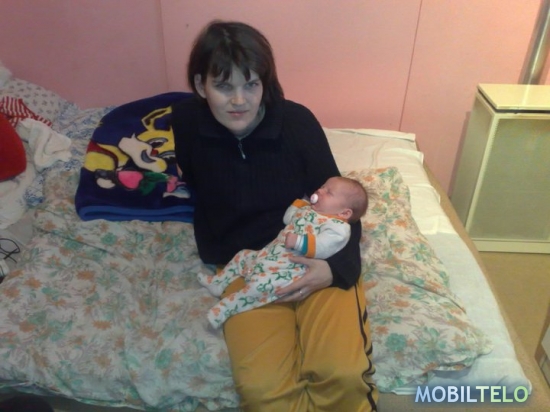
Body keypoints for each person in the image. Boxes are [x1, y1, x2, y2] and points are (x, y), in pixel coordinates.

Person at [172, 20, 378, 412]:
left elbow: (341, 208)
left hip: (314, 254)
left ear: (265, 83)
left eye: (251, 84)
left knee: (341, 372)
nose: (239, 100)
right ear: (200, 85)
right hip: (247, 263)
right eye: (224, 86)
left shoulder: (297, 123)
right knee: (262, 389)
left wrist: (335, 269)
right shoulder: (185, 123)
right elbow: (197, 182)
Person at [198, 176, 369, 328]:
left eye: (328, 192)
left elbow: (324, 247)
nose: (319, 191)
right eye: (322, 186)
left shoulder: (338, 228)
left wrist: (299, 242)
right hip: (271, 254)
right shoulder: (309, 210)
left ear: (344, 212)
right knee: (242, 255)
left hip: (290, 269)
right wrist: (297, 206)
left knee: (258, 287)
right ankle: (219, 282)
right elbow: (287, 219)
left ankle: (224, 309)